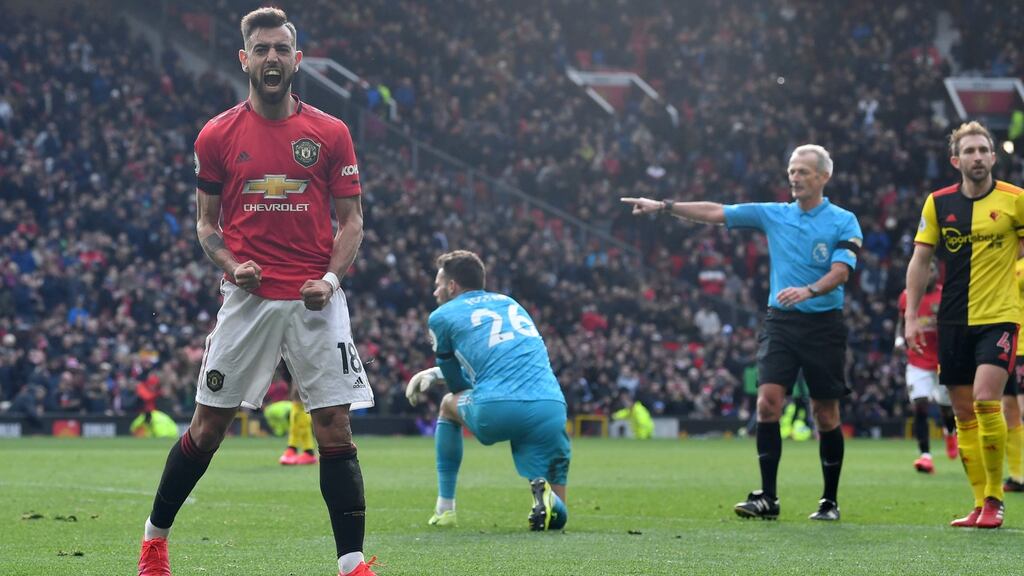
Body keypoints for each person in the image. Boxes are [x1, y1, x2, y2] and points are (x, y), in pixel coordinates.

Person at [137, 8, 377, 576]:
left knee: (333, 426)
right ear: (244, 59)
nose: (272, 58)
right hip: (248, 300)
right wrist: (229, 262)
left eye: (281, 49)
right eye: (261, 49)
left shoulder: (331, 133)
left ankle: (351, 563)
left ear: (297, 60)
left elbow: (353, 223)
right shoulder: (217, 134)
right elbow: (205, 226)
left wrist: (331, 279)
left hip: (316, 299)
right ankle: (154, 542)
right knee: (207, 427)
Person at [623, 143, 861, 522]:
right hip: (781, 322)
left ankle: (829, 501)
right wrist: (665, 206)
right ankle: (768, 497)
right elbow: (716, 212)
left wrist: (809, 290)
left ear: (823, 177)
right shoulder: (774, 214)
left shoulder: (843, 221)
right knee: (767, 403)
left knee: (825, 413)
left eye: (802, 171)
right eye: (792, 171)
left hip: (823, 325)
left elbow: (842, 272)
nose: (794, 177)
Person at [905, 121, 1024, 529]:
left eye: (983, 150)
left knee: (987, 400)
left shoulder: (1015, 200)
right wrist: (910, 316)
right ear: (956, 160)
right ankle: (978, 501)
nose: (977, 157)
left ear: (993, 156)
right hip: (952, 320)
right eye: (969, 151)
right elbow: (921, 260)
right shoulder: (938, 203)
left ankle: (995, 499)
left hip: (1000, 318)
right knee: (962, 413)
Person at [404, 250, 570, 531]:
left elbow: (458, 385)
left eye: (438, 284)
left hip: (498, 408)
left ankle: (445, 509)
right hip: (551, 406)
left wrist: (437, 375)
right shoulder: (510, 303)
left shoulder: (441, 316)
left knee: (447, 404)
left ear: (452, 286)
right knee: (556, 516)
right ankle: (549, 502)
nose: (435, 291)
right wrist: (435, 374)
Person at [894, 261, 958, 474]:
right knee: (920, 405)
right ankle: (925, 456)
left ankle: (950, 433)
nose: (927, 275)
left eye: (931, 271)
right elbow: (901, 321)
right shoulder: (907, 296)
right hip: (917, 358)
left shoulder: (944, 295)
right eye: (925, 270)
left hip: (942, 359)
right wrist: (898, 340)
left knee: (946, 407)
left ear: (936, 274)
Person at [1004, 255, 1024, 492]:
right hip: (1007, 345)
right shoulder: (1008, 265)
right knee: (1009, 410)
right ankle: (1017, 475)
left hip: (1023, 349)